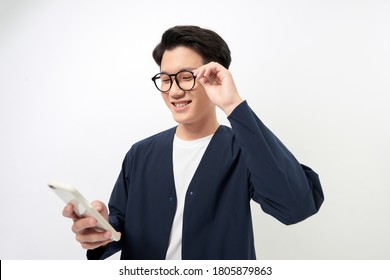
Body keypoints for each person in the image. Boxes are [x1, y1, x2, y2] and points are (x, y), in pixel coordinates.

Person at [63, 25, 324, 260]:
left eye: (186, 77)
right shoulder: (140, 154)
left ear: (214, 76)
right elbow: (121, 223)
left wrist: (233, 105)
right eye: (165, 79)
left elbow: (296, 206)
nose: (174, 91)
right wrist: (101, 229)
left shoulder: (244, 151)